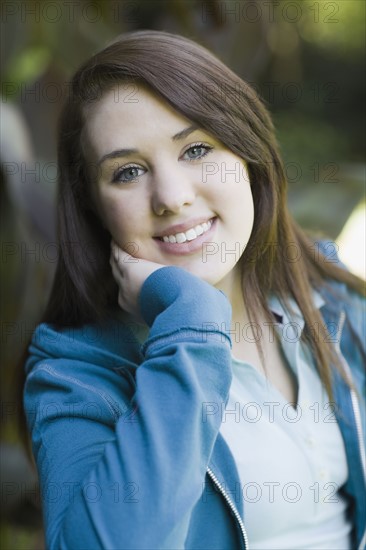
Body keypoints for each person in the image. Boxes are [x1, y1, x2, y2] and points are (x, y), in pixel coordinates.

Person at [23, 30, 365, 550]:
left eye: (197, 148)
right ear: (93, 206)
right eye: (128, 172)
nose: (172, 198)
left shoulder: (329, 296)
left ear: (248, 151)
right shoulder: (76, 373)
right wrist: (191, 322)